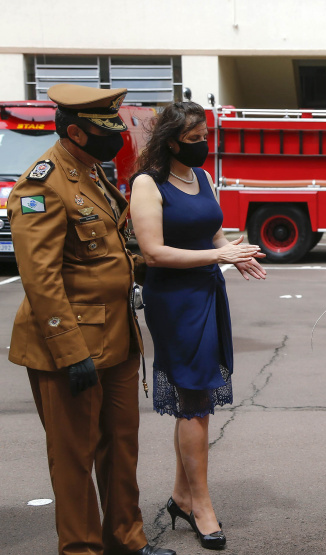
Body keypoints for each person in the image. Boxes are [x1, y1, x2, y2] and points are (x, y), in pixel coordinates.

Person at [7, 84, 175, 555]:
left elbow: (105, 252)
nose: (119, 137)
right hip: (70, 346)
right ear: (77, 132)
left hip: (117, 338)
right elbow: (39, 280)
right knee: (74, 458)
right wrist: (69, 352)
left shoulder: (90, 172)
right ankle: (80, 549)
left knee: (121, 447)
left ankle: (127, 539)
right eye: (109, 130)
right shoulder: (42, 183)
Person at [129, 102, 266, 550]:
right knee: (194, 396)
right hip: (174, 300)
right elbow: (153, 252)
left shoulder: (201, 178)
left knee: (198, 398)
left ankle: (182, 496)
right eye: (194, 139)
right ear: (171, 141)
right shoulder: (148, 184)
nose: (204, 145)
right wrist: (219, 256)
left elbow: (211, 234)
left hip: (207, 291)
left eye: (205, 136)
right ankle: (201, 505)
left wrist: (234, 252)